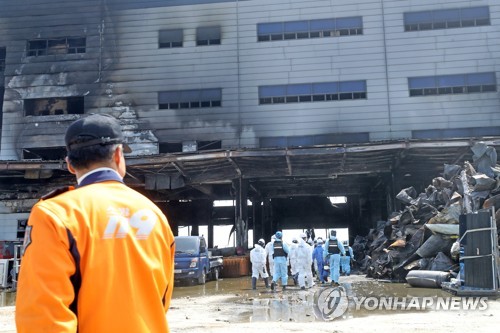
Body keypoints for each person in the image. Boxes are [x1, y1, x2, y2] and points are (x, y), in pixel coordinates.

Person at [15, 114, 176, 333]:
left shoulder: (54, 214)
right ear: (118, 155)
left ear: (70, 164)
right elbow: (162, 299)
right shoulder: (154, 214)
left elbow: (43, 314)